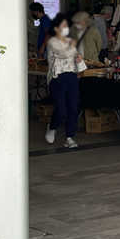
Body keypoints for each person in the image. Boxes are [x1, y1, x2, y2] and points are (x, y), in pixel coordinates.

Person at [44, 14, 83, 149]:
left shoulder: (70, 41)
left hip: (71, 76)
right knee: (61, 109)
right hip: (57, 78)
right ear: (56, 28)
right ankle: (52, 126)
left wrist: (78, 58)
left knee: (73, 107)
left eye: (67, 26)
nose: (67, 28)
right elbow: (63, 53)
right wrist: (72, 47)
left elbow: (75, 55)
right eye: (64, 26)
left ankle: (69, 137)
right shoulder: (52, 42)